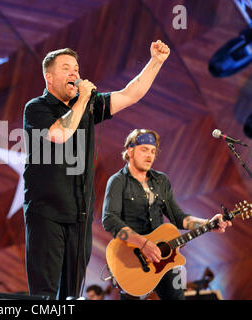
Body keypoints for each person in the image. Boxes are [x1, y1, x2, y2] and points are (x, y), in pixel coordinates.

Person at [23, 41, 171, 299]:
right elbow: (60, 134)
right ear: (49, 77)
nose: (74, 73)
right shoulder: (37, 108)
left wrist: (155, 62)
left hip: (79, 215)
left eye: (76, 68)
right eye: (66, 68)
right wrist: (81, 101)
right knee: (44, 295)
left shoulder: (88, 105)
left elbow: (129, 94)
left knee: (72, 294)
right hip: (45, 212)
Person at [101, 129, 232, 300]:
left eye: (153, 151)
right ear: (130, 151)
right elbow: (109, 219)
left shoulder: (161, 181)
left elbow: (178, 217)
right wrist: (143, 243)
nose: (150, 155)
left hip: (167, 260)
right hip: (130, 261)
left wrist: (207, 223)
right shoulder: (117, 181)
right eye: (144, 149)